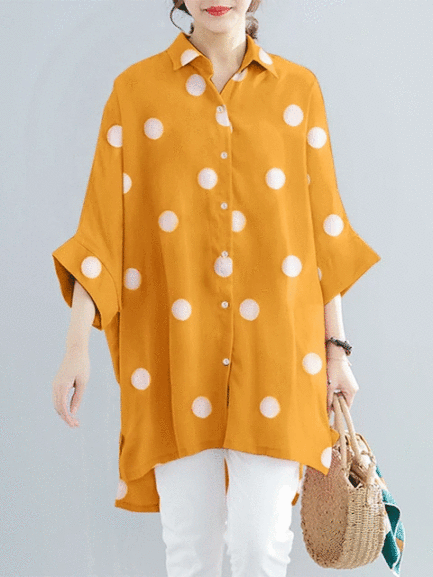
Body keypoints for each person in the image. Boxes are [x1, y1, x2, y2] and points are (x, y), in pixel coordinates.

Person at [51, 1, 381, 575]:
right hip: (174, 357)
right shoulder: (135, 94)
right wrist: (76, 345)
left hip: (279, 354)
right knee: (190, 551)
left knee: (261, 547)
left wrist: (337, 352)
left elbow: (322, 233)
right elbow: (102, 231)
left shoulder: (298, 91)